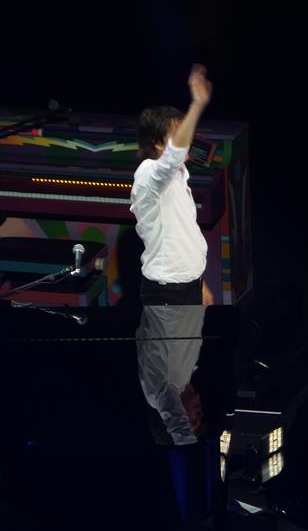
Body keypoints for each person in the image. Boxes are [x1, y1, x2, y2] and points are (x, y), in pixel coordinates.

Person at [131, 64, 214, 446]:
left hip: (177, 295)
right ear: (158, 143)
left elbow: (181, 233)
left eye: (190, 418)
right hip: (173, 295)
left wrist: (199, 281)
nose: (195, 413)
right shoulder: (149, 174)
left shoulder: (162, 392)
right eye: (179, 133)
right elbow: (178, 430)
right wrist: (197, 103)